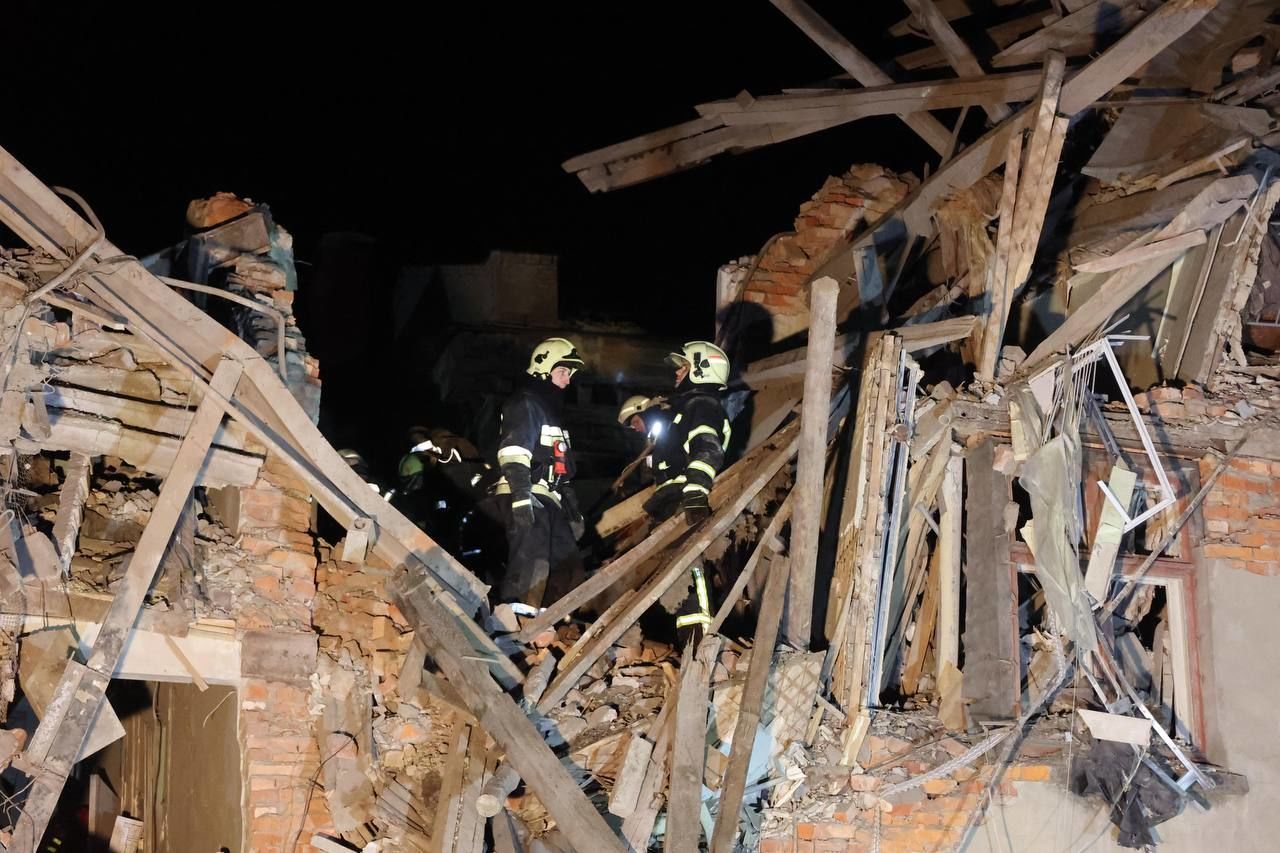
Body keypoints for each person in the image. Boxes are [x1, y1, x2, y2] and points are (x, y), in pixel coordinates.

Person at [641, 341, 732, 638]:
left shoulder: (702, 406)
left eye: (684, 367)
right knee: (677, 575)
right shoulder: (684, 408)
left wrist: (695, 492)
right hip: (671, 499)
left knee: (690, 572)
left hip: (685, 498)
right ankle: (686, 644)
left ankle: (699, 643)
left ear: (701, 370)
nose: (678, 373)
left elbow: (707, 449)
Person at [494, 337, 587, 606]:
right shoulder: (525, 403)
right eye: (562, 372)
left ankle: (548, 624)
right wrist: (522, 497)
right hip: (527, 494)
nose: (567, 381)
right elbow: (513, 452)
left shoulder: (551, 415)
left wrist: (573, 512)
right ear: (542, 369)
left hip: (548, 499)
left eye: (569, 374)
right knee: (531, 562)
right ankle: (516, 621)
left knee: (568, 566)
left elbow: (563, 472)